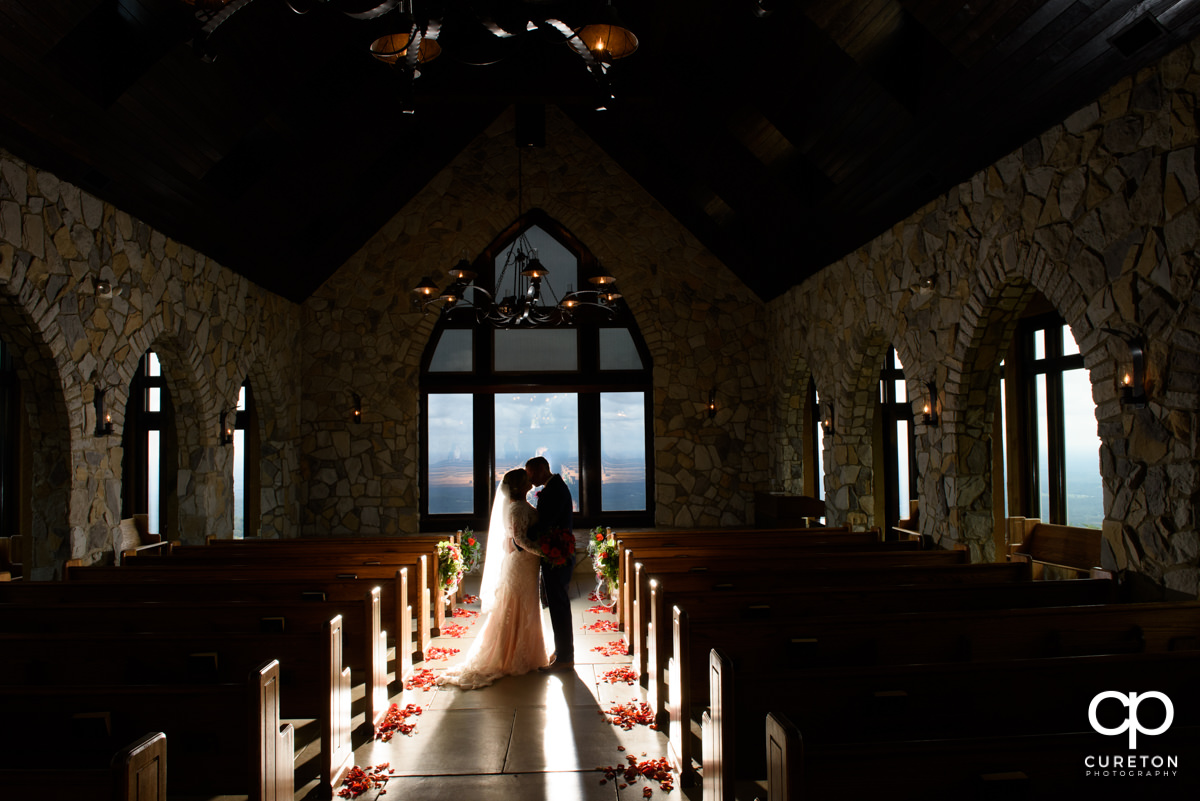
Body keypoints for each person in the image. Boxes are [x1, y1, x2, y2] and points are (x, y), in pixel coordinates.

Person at [437, 469, 550, 689]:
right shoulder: (517, 508)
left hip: (526, 564)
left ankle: (526, 651)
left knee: (526, 604)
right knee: (516, 603)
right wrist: (545, 552)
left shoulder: (519, 505)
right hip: (520, 564)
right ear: (519, 485)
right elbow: (519, 540)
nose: (530, 480)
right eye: (526, 478)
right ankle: (511, 655)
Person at [526, 455, 575, 670]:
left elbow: (546, 523)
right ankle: (563, 650)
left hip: (557, 554)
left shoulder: (553, 490)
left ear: (540, 470)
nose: (529, 478)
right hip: (557, 552)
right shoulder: (554, 486)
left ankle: (565, 657)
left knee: (558, 605)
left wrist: (522, 536)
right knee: (558, 605)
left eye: (530, 473)